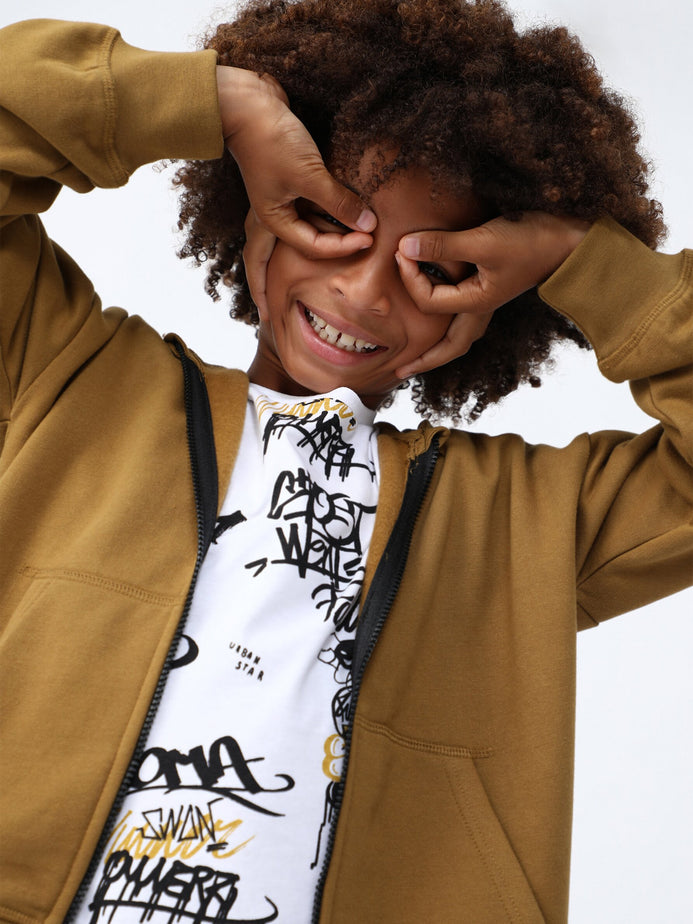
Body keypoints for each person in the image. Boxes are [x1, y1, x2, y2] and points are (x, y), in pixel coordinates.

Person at [0, 1, 690, 922]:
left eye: (433, 269)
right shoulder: (69, 376)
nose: (363, 295)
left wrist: (582, 261)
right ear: (257, 211)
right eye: (329, 221)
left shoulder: (524, 522)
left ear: (489, 304)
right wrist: (220, 106)